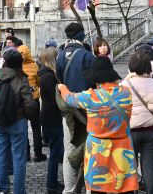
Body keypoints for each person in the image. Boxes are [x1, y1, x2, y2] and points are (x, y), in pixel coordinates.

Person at [58, 57, 139, 194]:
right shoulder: (126, 93)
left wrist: (62, 87)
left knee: (98, 188)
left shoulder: (91, 97)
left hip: (98, 150)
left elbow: (69, 98)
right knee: (124, 188)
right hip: (123, 148)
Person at [55, 22, 96, 194]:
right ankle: (88, 188)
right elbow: (95, 82)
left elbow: (59, 80)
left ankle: (69, 189)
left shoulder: (60, 56)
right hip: (87, 109)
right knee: (90, 149)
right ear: (81, 35)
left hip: (68, 109)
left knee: (69, 149)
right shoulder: (87, 56)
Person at [0, 48, 38, 194]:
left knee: (1, 154)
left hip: (1, 121)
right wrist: (30, 116)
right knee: (18, 158)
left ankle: (3, 188)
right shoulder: (21, 78)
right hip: (17, 120)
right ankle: (19, 191)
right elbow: (29, 103)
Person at [121, 51, 153, 194]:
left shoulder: (125, 84)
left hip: (130, 131)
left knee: (129, 168)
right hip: (152, 130)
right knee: (150, 169)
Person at [38, 47, 64, 194]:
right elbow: (54, 100)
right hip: (52, 117)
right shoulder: (48, 77)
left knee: (55, 151)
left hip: (49, 116)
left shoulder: (46, 74)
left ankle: (52, 181)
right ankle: (51, 183)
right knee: (55, 152)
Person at [17, 44, 46, 162]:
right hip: (33, 100)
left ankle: (26, 154)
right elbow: (39, 82)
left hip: (21, 100)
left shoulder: (17, 67)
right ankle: (38, 153)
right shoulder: (34, 66)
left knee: (23, 127)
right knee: (36, 127)